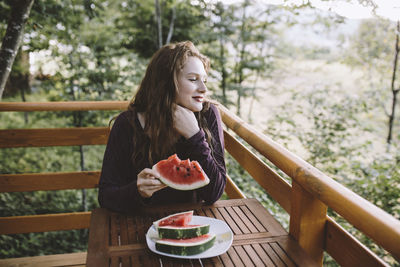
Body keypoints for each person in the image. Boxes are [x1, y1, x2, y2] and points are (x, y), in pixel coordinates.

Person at [98, 41, 226, 214]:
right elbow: (106, 196)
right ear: (165, 82)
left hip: (192, 223)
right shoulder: (127, 124)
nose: (203, 88)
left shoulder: (208, 114)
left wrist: (195, 137)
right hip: (139, 225)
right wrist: (137, 191)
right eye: (193, 79)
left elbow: (214, 193)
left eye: (204, 80)